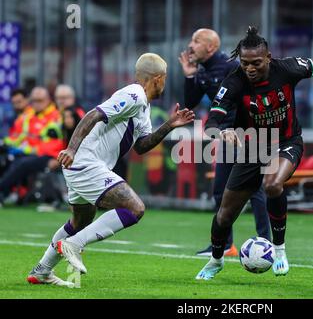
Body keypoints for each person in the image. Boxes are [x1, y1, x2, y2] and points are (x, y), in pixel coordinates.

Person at [195, 27, 313, 280]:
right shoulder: (234, 82)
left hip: (287, 141)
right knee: (225, 214)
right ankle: (216, 261)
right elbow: (212, 121)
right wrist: (221, 133)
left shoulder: (288, 69)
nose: (250, 68)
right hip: (254, 147)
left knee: (272, 184)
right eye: (245, 63)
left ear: (268, 57)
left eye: (256, 63)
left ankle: (279, 249)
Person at [27, 53, 195, 287]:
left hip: (85, 166)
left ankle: (42, 270)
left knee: (79, 222)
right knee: (135, 208)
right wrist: (72, 149)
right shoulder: (133, 95)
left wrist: (169, 125)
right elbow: (93, 115)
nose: (164, 83)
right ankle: (73, 245)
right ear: (157, 79)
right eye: (164, 79)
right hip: (85, 163)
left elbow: (142, 145)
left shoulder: (143, 106)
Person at [179, 28, 271, 257]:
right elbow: (189, 103)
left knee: (256, 189)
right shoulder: (203, 72)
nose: (191, 45)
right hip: (226, 136)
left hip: (251, 131)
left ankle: (267, 243)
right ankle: (225, 244)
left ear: (211, 47)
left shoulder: (232, 66)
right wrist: (190, 76)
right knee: (221, 190)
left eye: (196, 41)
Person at [0, 87, 64, 205]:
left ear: (48, 100)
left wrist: (30, 150)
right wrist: (5, 143)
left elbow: (57, 143)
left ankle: (3, 191)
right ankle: (8, 193)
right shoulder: (27, 116)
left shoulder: (57, 116)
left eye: (40, 100)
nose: (37, 103)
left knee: (22, 162)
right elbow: (17, 137)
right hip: (28, 153)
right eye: (34, 100)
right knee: (7, 159)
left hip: (50, 155)